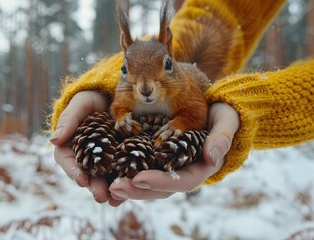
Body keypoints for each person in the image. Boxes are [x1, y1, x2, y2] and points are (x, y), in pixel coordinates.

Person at [49, 0, 314, 207]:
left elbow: (196, 114)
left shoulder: (184, 89)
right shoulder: (126, 90)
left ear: (170, 60)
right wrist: (117, 115)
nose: (145, 88)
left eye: (165, 66)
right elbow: (228, 9)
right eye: (128, 72)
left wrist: (185, 123)